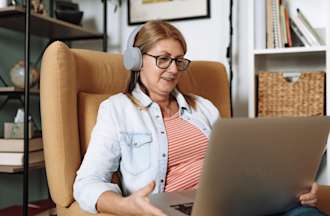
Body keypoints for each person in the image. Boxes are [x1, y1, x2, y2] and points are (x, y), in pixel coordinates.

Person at [73, 20, 325, 216]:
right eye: (163, 60)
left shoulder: (203, 107)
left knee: (306, 213)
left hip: (234, 202)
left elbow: (241, 165)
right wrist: (128, 206)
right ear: (136, 60)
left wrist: (291, 188)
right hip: (183, 210)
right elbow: (86, 183)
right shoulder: (117, 110)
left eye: (179, 61)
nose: (173, 70)